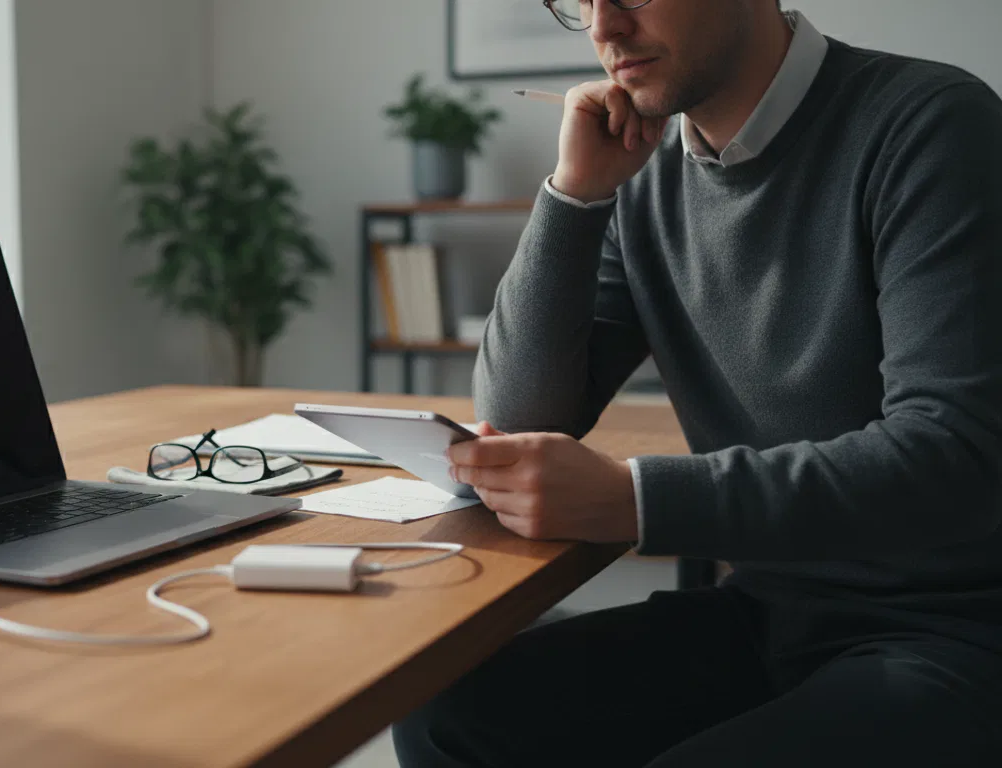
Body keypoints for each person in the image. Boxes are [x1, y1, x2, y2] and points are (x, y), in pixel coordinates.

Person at [393, 0, 1002, 765]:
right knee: (448, 716)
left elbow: (953, 456)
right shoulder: (645, 179)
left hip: (959, 630)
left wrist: (638, 499)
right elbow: (519, 416)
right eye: (578, 2)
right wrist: (575, 196)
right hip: (771, 610)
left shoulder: (933, 125)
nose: (603, 27)